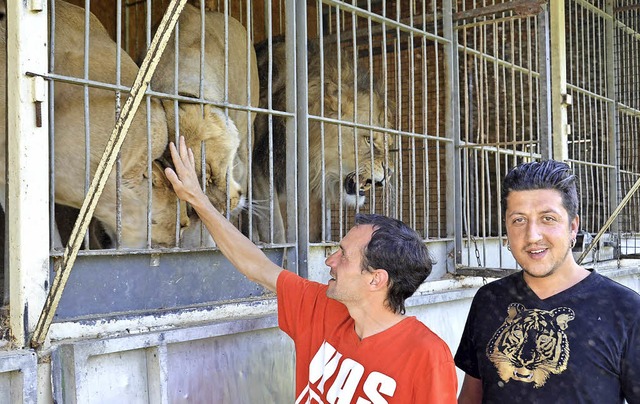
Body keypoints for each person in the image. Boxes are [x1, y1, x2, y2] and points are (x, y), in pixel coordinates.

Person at [164, 136, 458, 403]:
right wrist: (198, 200)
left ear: (376, 279)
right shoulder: (322, 307)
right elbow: (255, 265)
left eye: (344, 256)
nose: (330, 261)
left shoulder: (426, 355)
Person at [455, 160, 640, 403]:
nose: (532, 236)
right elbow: (471, 397)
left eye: (548, 218)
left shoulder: (625, 309)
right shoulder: (488, 300)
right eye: (519, 220)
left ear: (573, 227)